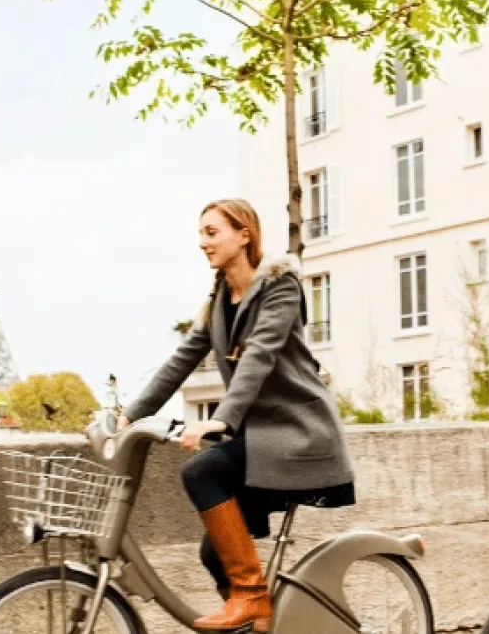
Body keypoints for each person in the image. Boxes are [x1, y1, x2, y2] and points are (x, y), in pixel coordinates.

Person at [121, 198, 355, 633]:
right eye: (201, 233)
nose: (202, 242)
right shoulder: (219, 301)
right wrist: (130, 415)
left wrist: (221, 419)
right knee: (215, 552)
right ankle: (256, 621)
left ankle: (251, 598)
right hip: (263, 442)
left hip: (299, 436)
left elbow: (260, 354)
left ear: (244, 234)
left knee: (202, 472)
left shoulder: (280, 288)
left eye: (212, 232)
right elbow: (181, 360)